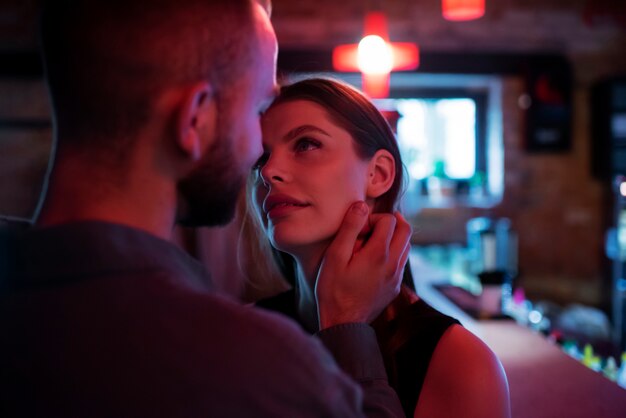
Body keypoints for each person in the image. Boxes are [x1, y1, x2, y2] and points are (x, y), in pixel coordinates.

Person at [0, 1, 411, 417]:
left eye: (304, 144)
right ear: (194, 119)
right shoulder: (257, 369)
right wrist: (349, 333)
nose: (262, 162)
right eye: (255, 111)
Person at [246, 77, 511, 418]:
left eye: (306, 144)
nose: (268, 171)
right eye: (260, 157)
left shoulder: (462, 364)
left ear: (379, 174)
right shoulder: (243, 334)